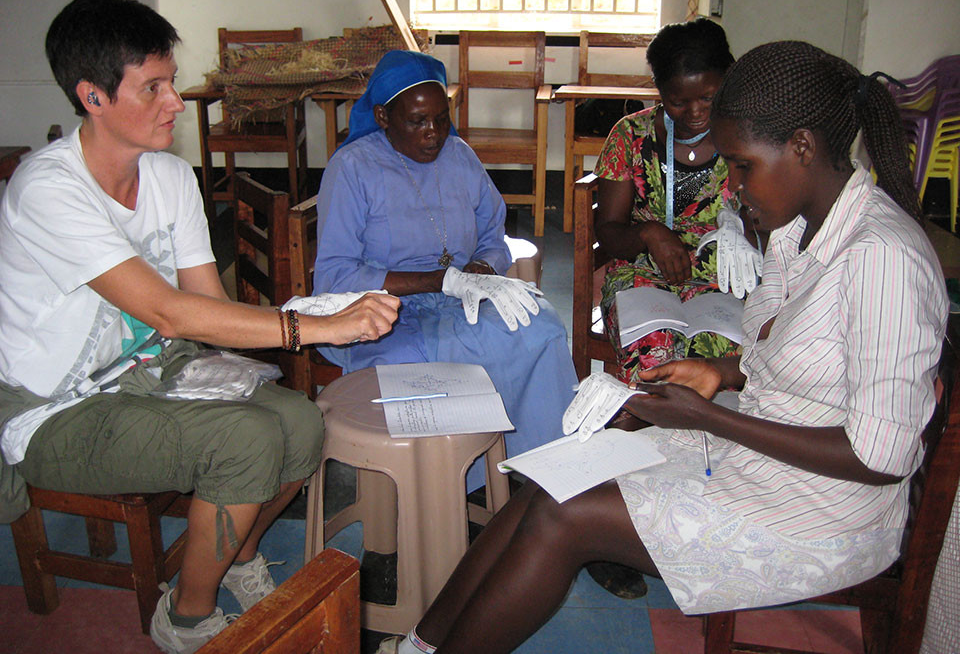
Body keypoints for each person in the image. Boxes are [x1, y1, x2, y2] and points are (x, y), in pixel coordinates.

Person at [375, 40, 949, 654]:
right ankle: (418, 646)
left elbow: (881, 457)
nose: (732, 185)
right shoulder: (800, 232)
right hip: (757, 451)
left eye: (743, 166)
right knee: (551, 477)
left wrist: (709, 419)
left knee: (562, 517)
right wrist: (716, 373)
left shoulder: (881, 258)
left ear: (803, 149)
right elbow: (792, 357)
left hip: (825, 511)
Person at [0, 0, 399, 654]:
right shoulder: (47, 189)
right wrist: (313, 330)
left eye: (169, 81)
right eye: (152, 87)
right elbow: (162, 309)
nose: (174, 102)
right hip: (57, 407)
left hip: (155, 369)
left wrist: (310, 311)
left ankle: (233, 557)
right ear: (92, 97)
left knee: (303, 421)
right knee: (243, 443)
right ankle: (185, 616)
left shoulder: (167, 177)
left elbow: (206, 309)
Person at [312, 50, 578, 487]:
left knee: (541, 328)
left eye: (441, 117)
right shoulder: (352, 169)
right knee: (420, 367)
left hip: (459, 298)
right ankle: (453, 485)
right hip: (382, 310)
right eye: (417, 121)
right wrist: (442, 279)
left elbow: (494, 233)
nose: (434, 133)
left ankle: (542, 469)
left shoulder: (460, 155)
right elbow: (336, 275)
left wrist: (479, 268)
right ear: (382, 116)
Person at [594, 18, 754, 384]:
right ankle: (644, 425)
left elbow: (774, 222)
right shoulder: (631, 136)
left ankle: (697, 436)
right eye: (678, 101)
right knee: (655, 359)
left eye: (708, 98)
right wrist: (649, 233)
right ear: (659, 91)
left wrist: (742, 225)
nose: (695, 112)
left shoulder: (747, 137)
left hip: (724, 282)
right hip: (642, 276)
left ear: (727, 80)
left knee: (723, 356)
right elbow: (609, 233)